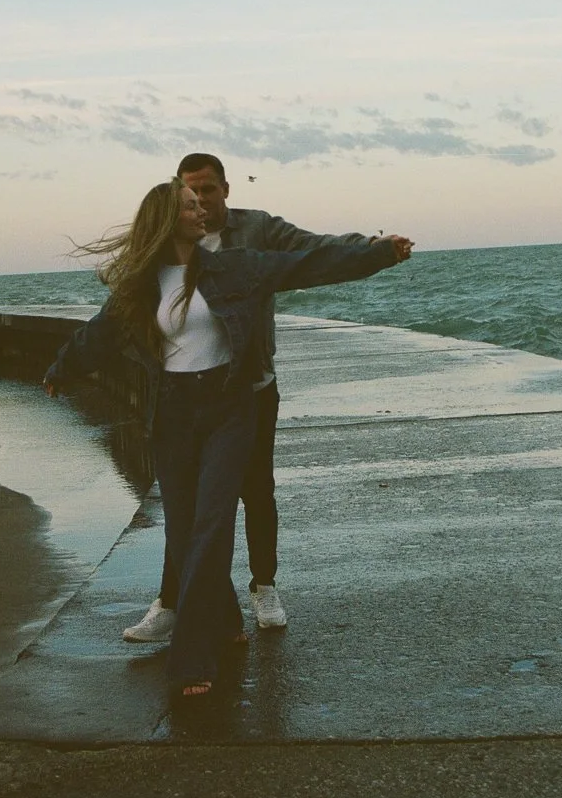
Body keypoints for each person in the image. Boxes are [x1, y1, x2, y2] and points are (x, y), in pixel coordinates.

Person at [42, 178, 405, 699]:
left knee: (212, 523)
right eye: (190, 207)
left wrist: (376, 254)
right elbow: (100, 333)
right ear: (166, 219)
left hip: (229, 408)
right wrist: (61, 369)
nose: (202, 213)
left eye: (201, 204)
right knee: (188, 529)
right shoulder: (141, 285)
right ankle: (229, 615)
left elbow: (305, 265)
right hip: (173, 412)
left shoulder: (231, 267)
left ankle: (191, 658)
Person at [120, 153, 414, 643]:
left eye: (209, 191)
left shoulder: (254, 232)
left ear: (226, 190)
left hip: (250, 386)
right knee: (186, 508)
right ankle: (172, 602)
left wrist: (370, 247)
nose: (202, 202)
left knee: (256, 490)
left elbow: (311, 251)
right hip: (188, 395)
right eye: (192, 193)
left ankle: (264, 585)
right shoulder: (166, 245)